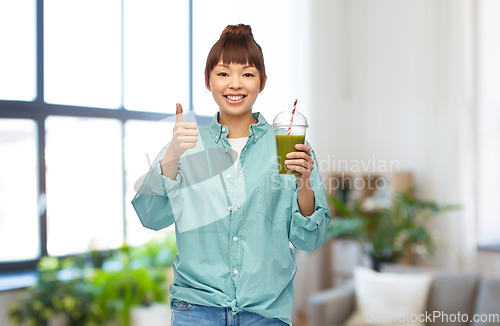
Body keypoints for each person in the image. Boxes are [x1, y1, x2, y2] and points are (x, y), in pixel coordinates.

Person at [131, 24, 331, 326]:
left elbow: (308, 240)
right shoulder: (187, 145)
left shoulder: (288, 146)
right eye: (223, 73)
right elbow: (151, 217)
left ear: (262, 82)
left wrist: (304, 183)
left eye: (248, 74)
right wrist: (172, 155)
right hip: (197, 309)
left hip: (265, 313)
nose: (235, 84)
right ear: (208, 80)